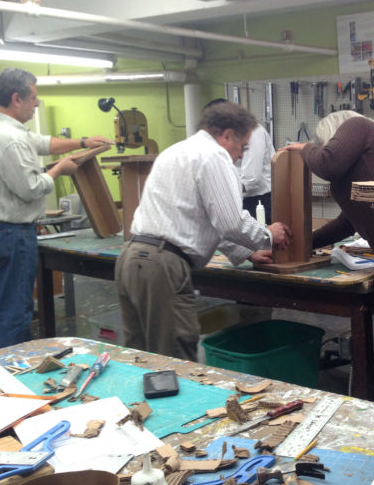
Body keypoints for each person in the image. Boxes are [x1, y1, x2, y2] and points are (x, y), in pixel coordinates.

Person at [115, 101, 291, 361]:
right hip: (163, 266)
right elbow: (230, 222)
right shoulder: (214, 156)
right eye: (242, 147)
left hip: (131, 259)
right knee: (174, 360)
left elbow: (201, 219)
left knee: (141, 358)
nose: (241, 155)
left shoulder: (176, 152)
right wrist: (268, 235)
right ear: (226, 135)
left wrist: (246, 252)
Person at [0, 67, 113, 350]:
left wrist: (83, 142)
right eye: (33, 97)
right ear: (16, 99)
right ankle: (13, 369)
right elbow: (32, 189)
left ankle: (0, 363)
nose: (37, 103)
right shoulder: (8, 140)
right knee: (15, 311)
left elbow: (39, 142)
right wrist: (60, 169)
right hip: (10, 233)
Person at [279, 111, 374, 262]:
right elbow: (347, 222)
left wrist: (305, 148)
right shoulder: (367, 164)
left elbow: (327, 164)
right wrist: (302, 244)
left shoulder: (357, 125)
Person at [203, 98, 275, 223]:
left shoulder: (252, 132)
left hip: (259, 201)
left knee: (259, 238)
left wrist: (222, 188)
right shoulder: (227, 134)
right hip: (239, 197)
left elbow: (251, 178)